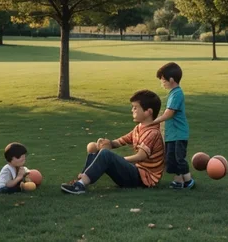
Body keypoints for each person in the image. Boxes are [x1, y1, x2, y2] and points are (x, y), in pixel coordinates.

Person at [60, 89, 164, 194]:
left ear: (148, 112)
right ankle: (80, 182)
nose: (132, 110)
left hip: (143, 179)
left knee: (106, 154)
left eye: (135, 108)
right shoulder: (139, 128)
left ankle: (80, 184)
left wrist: (119, 160)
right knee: (95, 150)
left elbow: (140, 156)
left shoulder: (152, 133)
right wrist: (106, 143)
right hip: (136, 174)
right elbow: (121, 141)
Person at [152, 61, 194, 189]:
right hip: (172, 134)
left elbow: (169, 114)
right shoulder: (173, 93)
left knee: (179, 159)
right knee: (171, 159)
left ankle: (188, 181)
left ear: (171, 80)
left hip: (179, 133)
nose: (162, 83)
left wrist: (153, 122)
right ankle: (178, 181)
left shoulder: (177, 94)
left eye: (163, 80)